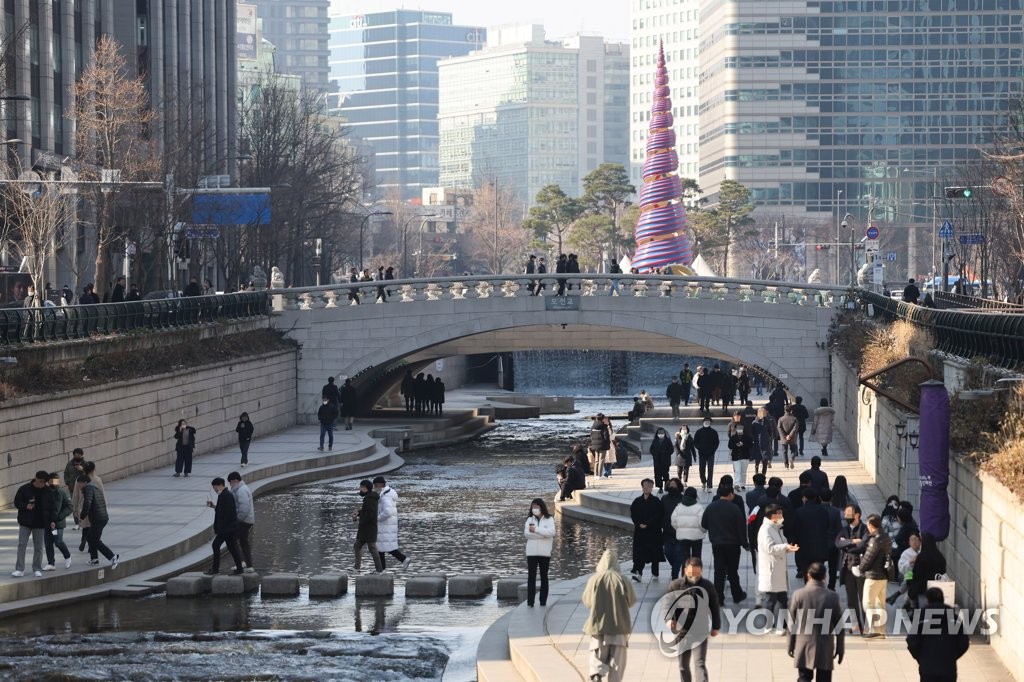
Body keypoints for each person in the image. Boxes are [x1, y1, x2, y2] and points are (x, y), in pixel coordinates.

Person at [582, 549, 636, 682]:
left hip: (598, 628)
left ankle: (597, 677)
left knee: (597, 661)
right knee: (617, 666)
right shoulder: (623, 580)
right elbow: (632, 600)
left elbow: (587, 601)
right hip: (619, 628)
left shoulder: (594, 579)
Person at [665, 557, 721, 682]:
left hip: (700, 631)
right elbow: (667, 604)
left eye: (697, 573)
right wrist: (669, 619)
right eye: (691, 573)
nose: (694, 576)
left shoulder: (707, 586)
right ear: (685, 570)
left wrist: (716, 626)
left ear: (701, 571)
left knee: (699, 664)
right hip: (682, 632)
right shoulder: (676, 586)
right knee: (683, 666)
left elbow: (714, 606)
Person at [788, 562, 845, 681]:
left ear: (808, 575)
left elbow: (791, 623)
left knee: (804, 678)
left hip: (804, 645)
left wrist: (790, 644)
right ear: (825, 577)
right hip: (825, 647)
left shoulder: (798, 595)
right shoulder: (833, 597)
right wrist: (840, 648)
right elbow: (839, 627)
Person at [906, 587, 970, 681]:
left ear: (927, 600)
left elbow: (912, 641)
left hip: (928, 668)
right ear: (943, 599)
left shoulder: (922, 617)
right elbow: (964, 642)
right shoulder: (952, 617)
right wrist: (953, 655)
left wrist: (920, 657)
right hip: (948, 668)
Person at [701, 484, 748, 605]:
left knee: (719, 571)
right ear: (730, 494)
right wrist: (745, 543)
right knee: (732, 570)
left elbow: (704, 524)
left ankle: (718, 598)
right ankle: (737, 595)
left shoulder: (711, 507)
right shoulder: (734, 508)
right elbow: (741, 527)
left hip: (717, 544)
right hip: (733, 544)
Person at [759, 504, 800, 633]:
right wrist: (785, 547)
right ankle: (769, 625)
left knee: (782, 598)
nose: (782, 516)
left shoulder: (776, 528)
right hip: (772, 570)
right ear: (773, 516)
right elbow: (770, 548)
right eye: (780, 514)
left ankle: (781, 625)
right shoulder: (766, 530)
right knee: (771, 599)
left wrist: (787, 547)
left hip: (778, 569)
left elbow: (781, 544)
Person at [855, 514, 893, 638]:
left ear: (871, 525)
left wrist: (860, 569)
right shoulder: (886, 537)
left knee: (867, 602)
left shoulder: (875, 540)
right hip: (884, 575)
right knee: (879, 603)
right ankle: (881, 631)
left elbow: (868, 558)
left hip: (873, 575)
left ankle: (874, 629)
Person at [11, 471, 52, 577]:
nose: (43, 484)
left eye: (44, 482)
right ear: (36, 479)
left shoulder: (47, 491)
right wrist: (25, 506)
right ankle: (20, 569)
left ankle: (37, 568)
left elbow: (52, 507)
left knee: (38, 547)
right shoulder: (24, 489)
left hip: (40, 523)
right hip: (26, 522)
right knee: (22, 544)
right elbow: (17, 502)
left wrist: (52, 520)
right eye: (41, 482)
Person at [837, 504, 869, 634]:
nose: (846, 516)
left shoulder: (865, 529)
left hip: (861, 569)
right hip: (848, 568)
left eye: (849, 514)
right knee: (851, 599)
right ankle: (855, 624)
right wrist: (852, 541)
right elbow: (838, 543)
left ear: (857, 515)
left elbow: (863, 545)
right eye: (845, 514)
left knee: (863, 599)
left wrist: (847, 544)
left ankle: (866, 625)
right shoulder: (844, 529)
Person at [204, 477, 244, 575]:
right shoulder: (224, 495)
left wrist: (220, 529)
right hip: (229, 528)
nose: (214, 490)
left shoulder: (226, 495)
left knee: (216, 545)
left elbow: (227, 514)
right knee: (232, 548)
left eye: (215, 487)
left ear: (220, 485)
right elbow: (223, 510)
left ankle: (215, 569)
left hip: (227, 529)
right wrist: (214, 506)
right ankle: (239, 568)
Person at [78, 474, 118, 569]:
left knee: (95, 540)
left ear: (85, 482)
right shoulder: (95, 488)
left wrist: (82, 516)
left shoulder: (88, 489)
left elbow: (87, 503)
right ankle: (94, 559)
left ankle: (113, 557)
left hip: (98, 518)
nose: (79, 485)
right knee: (90, 537)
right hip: (101, 517)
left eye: (79, 483)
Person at [630, 478, 664, 582]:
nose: (646, 488)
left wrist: (648, 524)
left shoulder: (656, 501)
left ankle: (655, 573)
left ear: (652, 487)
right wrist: (638, 523)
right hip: (640, 532)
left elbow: (659, 515)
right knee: (640, 554)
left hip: (653, 532)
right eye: (644, 486)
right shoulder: (637, 501)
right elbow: (633, 514)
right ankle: (638, 573)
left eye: (648, 486)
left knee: (654, 554)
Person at [374, 476, 411, 570]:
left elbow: (387, 512)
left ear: (379, 485)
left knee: (381, 548)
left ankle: (383, 568)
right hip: (388, 525)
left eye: (375, 486)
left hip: (384, 525)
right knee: (383, 547)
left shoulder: (385, 496)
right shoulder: (388, 494)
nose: (374, 488)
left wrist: (377, 518)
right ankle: (382, 569)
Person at [524, 498, 556, 607]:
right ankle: (530, 601)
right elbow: (527, 534)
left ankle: (543, 601)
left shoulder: (549, 519)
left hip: (545, 553)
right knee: (531, 577)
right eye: (533, 507)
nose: (534, 509)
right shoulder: (529, 519)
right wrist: (543, 535)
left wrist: (536, 530)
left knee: (544, 576)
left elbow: (551, 532)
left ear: (541, 507)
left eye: (536, 507)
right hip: (531, 553)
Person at [905, 532, 946, 610]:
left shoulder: (922, 556)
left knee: (909, 580)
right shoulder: (940, 556)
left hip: (922, 586)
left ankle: (913, 607)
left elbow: (916, 573)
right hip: (937, 584)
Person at [43, 473, 73, 571]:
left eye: (56, 481)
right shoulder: (45, 493)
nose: (54, 483)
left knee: (58, 541)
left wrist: (59, 517)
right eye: (52, 480)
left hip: (58, 523)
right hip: (47, 523)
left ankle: (67, 556)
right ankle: (51, 563)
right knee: (48, 543)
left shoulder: (61, 493)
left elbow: (69, 506)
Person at [352, 479, 384, 573]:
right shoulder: (369, 498)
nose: (360, 489)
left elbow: (370, 515)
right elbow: (367, 512)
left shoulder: (369, 499)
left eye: (361, 487)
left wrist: (359, 519)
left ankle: (379, 570)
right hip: (367, 528)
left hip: (368, 529)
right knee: (357, 546)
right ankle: (357, 568)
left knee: (372, 548)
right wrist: (358, 513)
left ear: (365, 488)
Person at [227, 472, 256, 572]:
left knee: (231, 540)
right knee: (244, 542)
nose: (230, 485)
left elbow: (244, 508)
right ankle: (249, 566)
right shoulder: (242, 488)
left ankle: (241, 563)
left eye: (230, 482)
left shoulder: (241, 490)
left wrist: (237, 520)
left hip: (243, 521)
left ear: (235, 480)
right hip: (247, 520)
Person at [671, 486, 706, 561]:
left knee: (685, 559)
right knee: (696, 559)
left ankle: (686, 573)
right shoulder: (699, 508)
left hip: (683, 537)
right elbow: (702, 523)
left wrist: (679, 529)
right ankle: (695, 573)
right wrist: (703, 531)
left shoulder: (678, 507)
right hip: (697, 537)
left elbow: (673, 521)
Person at [660, 478, 685, 580]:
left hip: (680, 532)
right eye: (671, 484)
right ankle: (675, 567)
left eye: (674, 484)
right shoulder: (664, 499)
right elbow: (660, 513)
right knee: (668, 553)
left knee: (679, 553)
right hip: (667, 531)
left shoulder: (683, 499)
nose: (672, 486)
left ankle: (675, 572)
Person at [692, 417, 719, 492]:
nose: (707, 423)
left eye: (708, 421)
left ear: (710, 423)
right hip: (702, 454)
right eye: (705, 421)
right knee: (701, 469)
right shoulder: (699, 432)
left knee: (710, 470)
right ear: (703, 422)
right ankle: (703, 481)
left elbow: (717, 442)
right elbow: (695, 442)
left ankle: (709, 486)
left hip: (711, 454)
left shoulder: (714, 432)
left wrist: (713, 449)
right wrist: (699, 448)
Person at [727, 419, 753, 491]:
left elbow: (751, 445)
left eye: (741, 428)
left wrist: (743, 444)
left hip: (745, 456)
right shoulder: (733, 437)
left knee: (743, 472)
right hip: (736, 456)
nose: (739, 430)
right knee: (737, 471)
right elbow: (729, 445)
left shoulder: (747, 437)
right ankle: (737, 484)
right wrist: (736, 445)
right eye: (738, 429)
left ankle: (743, 484)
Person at [752, 407, 776, 475]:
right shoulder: (754, 422)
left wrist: (769, 439)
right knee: (757, 462)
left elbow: (770, 431)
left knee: (765, 461)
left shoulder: (767, 421)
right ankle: (756, 474)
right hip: (757, 445)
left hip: (765, 445)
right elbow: (752, 433)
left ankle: (763, 476)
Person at [590, 413, 612, 484]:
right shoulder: (604, 426)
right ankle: (599, 475)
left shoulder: (593, 426)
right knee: (601, 460)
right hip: (602, 445)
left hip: (595, 446)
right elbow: (606, 437)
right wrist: (608, 444)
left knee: (596, 460)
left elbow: (591, 436)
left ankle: (595, 475)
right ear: (602, 419)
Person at [650, 427, 674, 493]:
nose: (661, 434)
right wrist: (655, 455)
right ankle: (660, 487)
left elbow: (671, 449)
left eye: (662, 433)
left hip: (665, 461)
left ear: (664, 433)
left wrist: (666, 454)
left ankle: (666, 486)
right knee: (658, 475)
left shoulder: (668, 440)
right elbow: (651, 449)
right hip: (657, 461)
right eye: (659, 433)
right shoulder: (655, 441)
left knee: (666, 475)